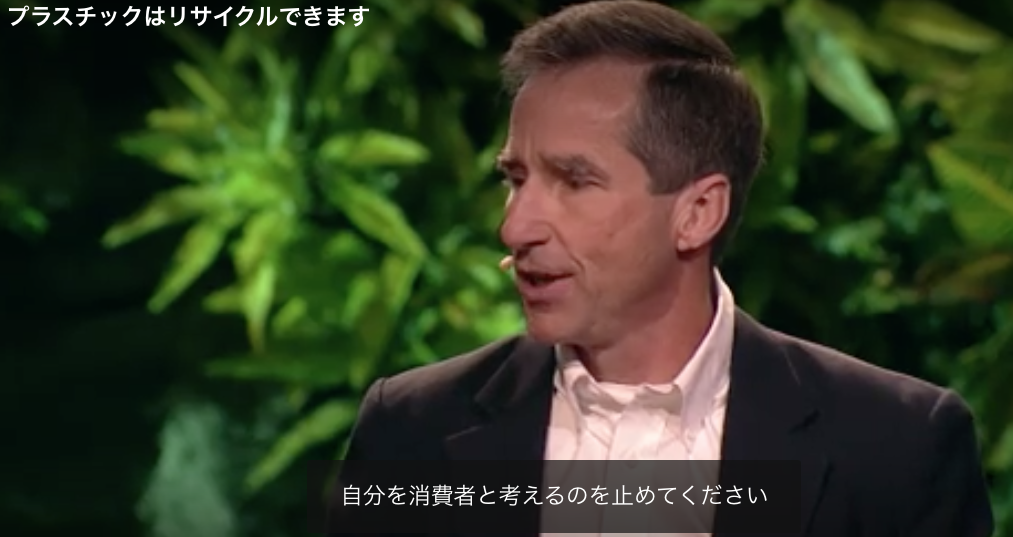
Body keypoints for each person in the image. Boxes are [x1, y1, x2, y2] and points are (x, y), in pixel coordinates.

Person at [330, 1, 994, 535]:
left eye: (574, 181)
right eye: (516, 179)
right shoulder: (410, 428)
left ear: (697, 213)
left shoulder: (895, 447)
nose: (515, 227)